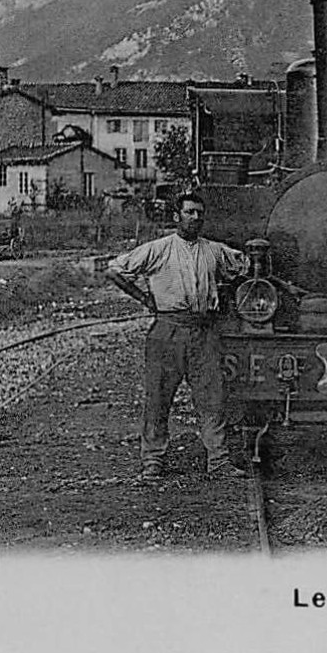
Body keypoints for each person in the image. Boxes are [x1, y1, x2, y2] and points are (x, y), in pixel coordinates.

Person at [106, 192, 249, 481]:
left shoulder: (214, 251)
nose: (195, 218)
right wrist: (144, 298)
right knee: (158, 397)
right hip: (167, 331)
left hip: (203, 331)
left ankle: (219, 460)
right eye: (189, 212)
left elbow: (243, 265)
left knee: (212, 398)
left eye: (199, 213)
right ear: (176, 216)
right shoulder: (159, 249)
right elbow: (114, 269)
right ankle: (153, 460)